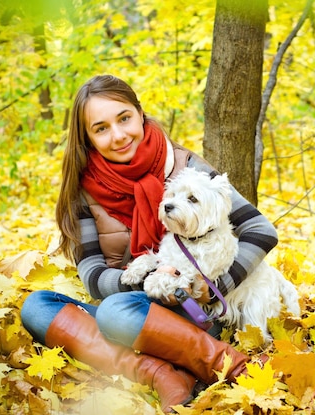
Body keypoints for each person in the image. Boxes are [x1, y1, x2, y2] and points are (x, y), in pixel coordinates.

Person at [20, 75, 280, 413]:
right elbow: (92, 274)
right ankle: (163, 373)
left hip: (191, 310)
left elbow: (261, 230)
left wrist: (213, 286)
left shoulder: (185, 167)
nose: (118, 135)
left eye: (124, 118)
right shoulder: (83, 191)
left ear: (140, 114)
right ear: (87, 138)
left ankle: (226, 363)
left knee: (114, 315)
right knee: (38, 306)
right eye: (101, 129)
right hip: (130, 306)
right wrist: (147, 280)